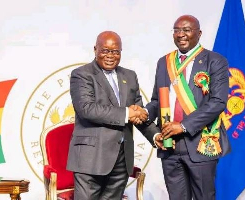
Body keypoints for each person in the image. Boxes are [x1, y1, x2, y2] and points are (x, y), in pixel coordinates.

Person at [145, 15, 231, 200]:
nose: (181, 34)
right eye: (177, 30)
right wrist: (144, 112)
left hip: (200, 143)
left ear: (199, 33)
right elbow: (157, 101)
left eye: (186, 30)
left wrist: (183, 126)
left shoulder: (215, 61)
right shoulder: (164, 62)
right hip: (169, 145)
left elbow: (218, 102)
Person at [67, 31, 159, 200]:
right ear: (95, 49)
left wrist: (155, 135)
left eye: (116, 51)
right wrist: (127, 113)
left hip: (122, 158)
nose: (110, 56)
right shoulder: (82, 74)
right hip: (91, 159)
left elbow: (137, 111)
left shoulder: (129, 76)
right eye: (105, 50)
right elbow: (87, 109)